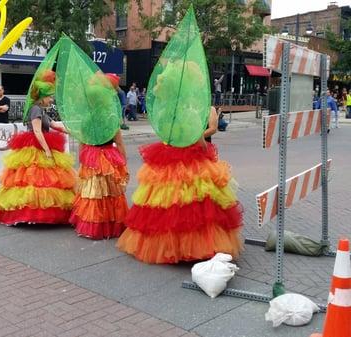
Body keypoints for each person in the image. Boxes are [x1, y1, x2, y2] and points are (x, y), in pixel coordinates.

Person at [116, 9, 243, 264]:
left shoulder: (176, 111)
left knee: (170, 204)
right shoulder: (186, 111)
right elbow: (194, 135)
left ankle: (171, 244)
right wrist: (199, 143)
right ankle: (189, 245)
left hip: (175, 157)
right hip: (189, 157)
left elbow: (188, 132)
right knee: (189, 204)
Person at [0, 70, 76, 226]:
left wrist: (75, 132)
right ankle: (31, 213)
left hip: (39, 144)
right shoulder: (36, 109)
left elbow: (54, 125)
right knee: (34, 182)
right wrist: (48, 150)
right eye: (50, 97)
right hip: (35, 146)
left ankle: (37, 214)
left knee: (42, 183)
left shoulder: (40, 110)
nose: (51, 100)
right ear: (42, 97)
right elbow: (37, 131)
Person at [69, 73, 129, 239]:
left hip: (91, 155)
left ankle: (92, 224)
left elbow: (82, 141)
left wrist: (83, 158)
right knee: (110, 192)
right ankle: (109, 224)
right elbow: (120, 143)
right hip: (109, 155)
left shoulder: (86, 119)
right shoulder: (111, 118)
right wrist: (124, 162)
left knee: (92, 191)